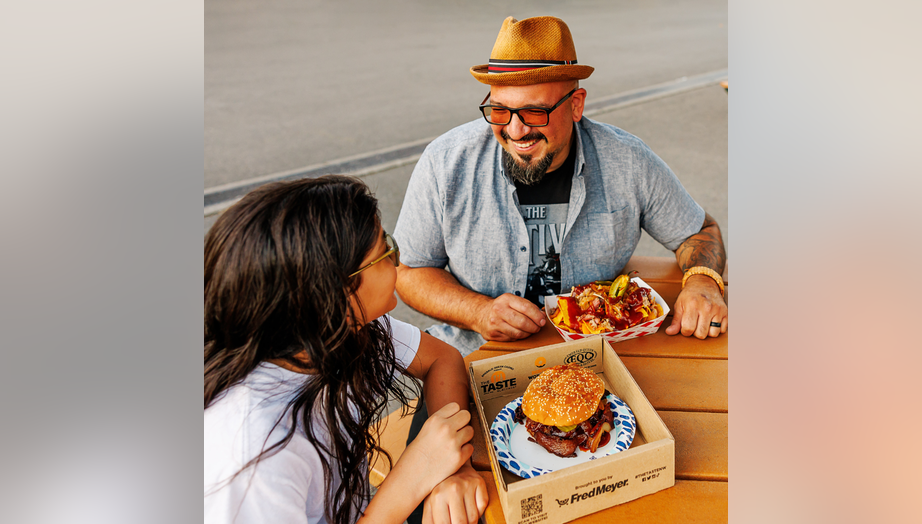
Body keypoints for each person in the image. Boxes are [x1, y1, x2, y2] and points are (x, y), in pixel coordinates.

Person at [393, 15, 728, 358]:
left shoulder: (628, 160)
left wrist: (703, 283)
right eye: (499, 110)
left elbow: (698, 231)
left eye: (535, 112)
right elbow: (408, 271)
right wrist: (477, 311)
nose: (515, 131)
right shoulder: (445, 162)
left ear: (576, 104)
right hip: (474, 352)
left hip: (598, 355)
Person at [203, 176, 488, 524]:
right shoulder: (254, 458)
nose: (397, 263)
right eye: (385, 252)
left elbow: (442, 357)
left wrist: (452, 465)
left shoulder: (339, 328)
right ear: (335, 292)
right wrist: (413, 476)